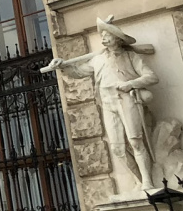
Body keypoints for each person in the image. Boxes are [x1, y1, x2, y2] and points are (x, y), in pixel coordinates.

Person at [43, 16, 159, 190]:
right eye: (102, 35)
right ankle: (139, 180)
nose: (103, 38)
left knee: (135, 142)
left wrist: (129, 84)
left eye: (107, 35)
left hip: (126, 100)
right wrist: (62, 66)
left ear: (117, 38)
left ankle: (148, 181)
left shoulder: (130, 56)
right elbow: (78, 72)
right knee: (117, 148)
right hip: (108, 104)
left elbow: (151, 77)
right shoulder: (98, 59)